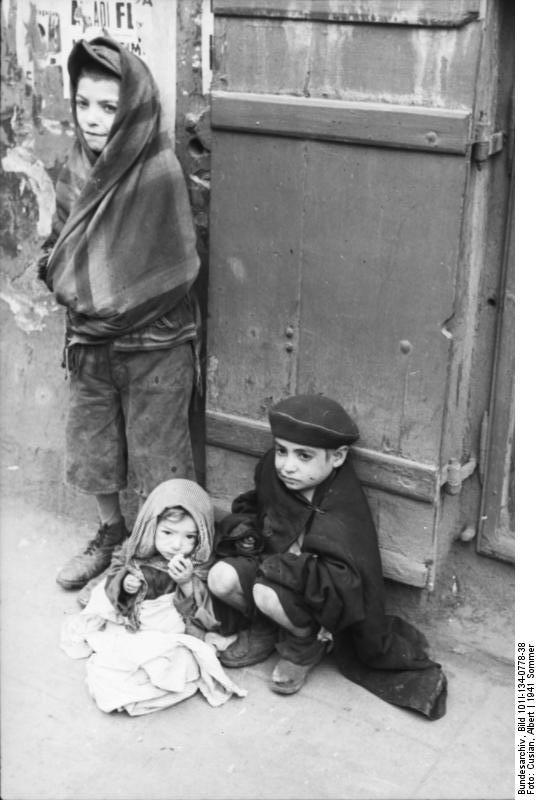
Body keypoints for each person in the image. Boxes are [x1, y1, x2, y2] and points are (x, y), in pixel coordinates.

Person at [37, 36, 201, 592]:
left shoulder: (159, 172)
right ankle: (111, 535)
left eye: (109, 107)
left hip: (157, 344)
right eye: (83, 104)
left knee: (162, 458)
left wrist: (98, 294)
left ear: (132, 107)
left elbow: (174, 269)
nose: (93, 119)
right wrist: (64, 276)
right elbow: (61, 250)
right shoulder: (74, 169)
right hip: (89, 343)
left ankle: (160, 562)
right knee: (93, 447)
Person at [208, 394, 447, 719]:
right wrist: (248, 534)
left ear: (337, 457)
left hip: (312, 593)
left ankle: (304, 642)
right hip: (273, 566)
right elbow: (256, 506)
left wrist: (284, 568)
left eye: (304, 456)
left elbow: (344, 582)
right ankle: (266, 629)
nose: (287, 465)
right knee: (219, 579)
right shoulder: (273, 472)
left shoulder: (342, 507)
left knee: (265, 593)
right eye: (282, 451)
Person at [60, 479, 246, 715]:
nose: (177, 545)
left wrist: (187, 583)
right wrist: (125, 584)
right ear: (151, 527)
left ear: (201, 537)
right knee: (107, 616)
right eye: (167, 532)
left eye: (190, 537)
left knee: (166, 660)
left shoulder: (200, 561)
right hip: (136, 615)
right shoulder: (138, 546)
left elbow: (206, 611)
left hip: (171, 622)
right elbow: (119, 567)